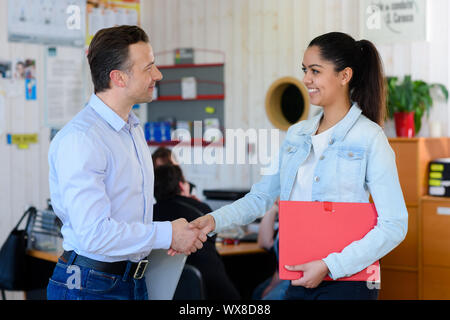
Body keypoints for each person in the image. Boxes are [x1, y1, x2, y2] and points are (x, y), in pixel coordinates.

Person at [188, 32, 408, 300]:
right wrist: (213, 220)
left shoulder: (370, 137)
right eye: (305, 70)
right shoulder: (296, 135)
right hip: (297, 275)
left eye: (315, 71)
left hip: (349, 282)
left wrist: (330, 265)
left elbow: (394, 224)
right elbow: (261, 197)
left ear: (344, 75)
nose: (306, 79)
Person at [47, 25, 205, 300]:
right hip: (89, 286)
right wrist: (167, 234)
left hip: (132, 281)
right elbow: (94, 234)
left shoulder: (132, 129)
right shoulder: (82, 139)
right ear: (118, 77)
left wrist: (174, 234)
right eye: (149, 68)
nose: (158, 75)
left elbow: (131, 216)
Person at [153, 164, 241, 300]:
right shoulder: (200, 209)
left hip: (168, 290)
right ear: (182, 186)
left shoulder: (150, 214)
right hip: (214, 288)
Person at [251, 199, 289, 300]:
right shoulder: (284, 222)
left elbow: (286, 264)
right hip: (283, 275)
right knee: (257, 292)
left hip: (293, 277)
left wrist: (272, 286)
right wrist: (273, 209)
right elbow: (265, 243)